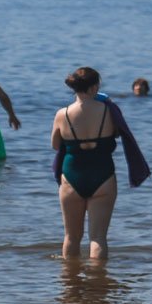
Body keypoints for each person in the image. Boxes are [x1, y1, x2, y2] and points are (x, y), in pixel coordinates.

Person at [52, 67, 118, 261]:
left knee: (71, 237)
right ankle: (98, 284)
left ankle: (70, 284)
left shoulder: (62, 114)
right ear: (94, 86)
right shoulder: (108, 111)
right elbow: (117, 134)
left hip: (72, 176)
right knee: (98, 238)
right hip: (103, 175)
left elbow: (55, 145)